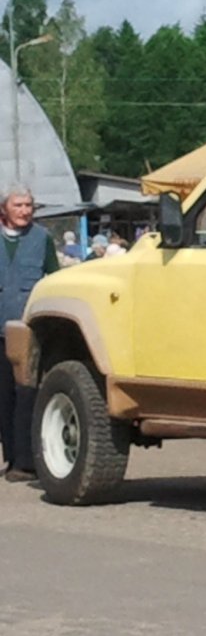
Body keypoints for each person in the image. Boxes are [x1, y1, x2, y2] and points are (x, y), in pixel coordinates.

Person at [0, 185, 60, 482]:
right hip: (0, 329)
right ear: (4, 209)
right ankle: (11, 457)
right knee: (4, 396)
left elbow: (54, 278)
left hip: (29, 330)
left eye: (28, 205)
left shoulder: (42, 239)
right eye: (18, 205)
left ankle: (26, 461)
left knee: (28, 393)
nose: (24, 211)